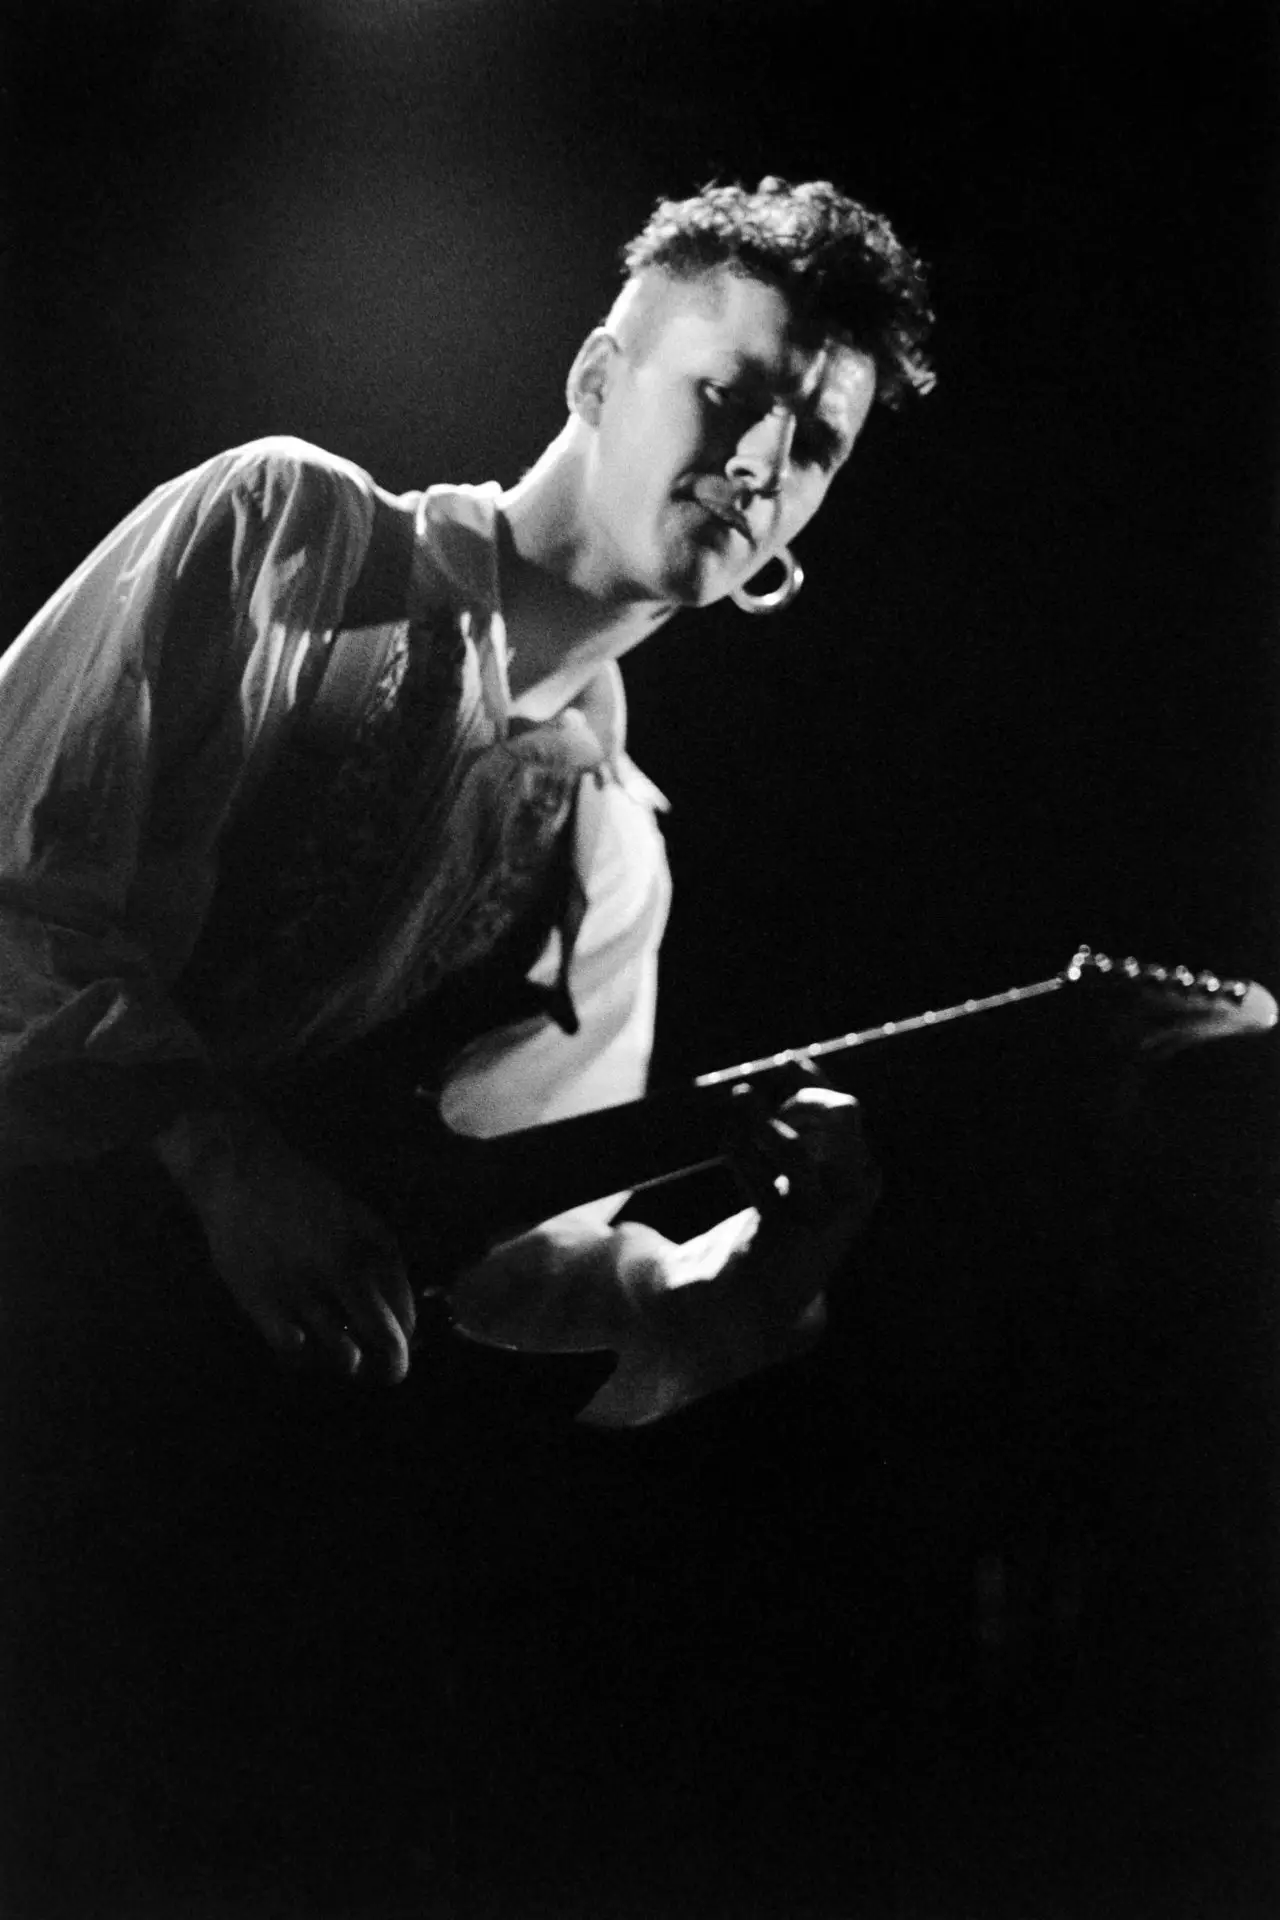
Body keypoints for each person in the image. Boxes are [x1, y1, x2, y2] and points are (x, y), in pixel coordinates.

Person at [0, 177, 935, 1909]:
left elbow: (519, 1261)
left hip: (156, 1498)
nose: (759, 461)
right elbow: (14, 878)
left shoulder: (617, 852)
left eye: (812, 441)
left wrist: (769, 1250)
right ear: (595, 378)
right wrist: (217, 1152)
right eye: (728, 393)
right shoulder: (282, 536)